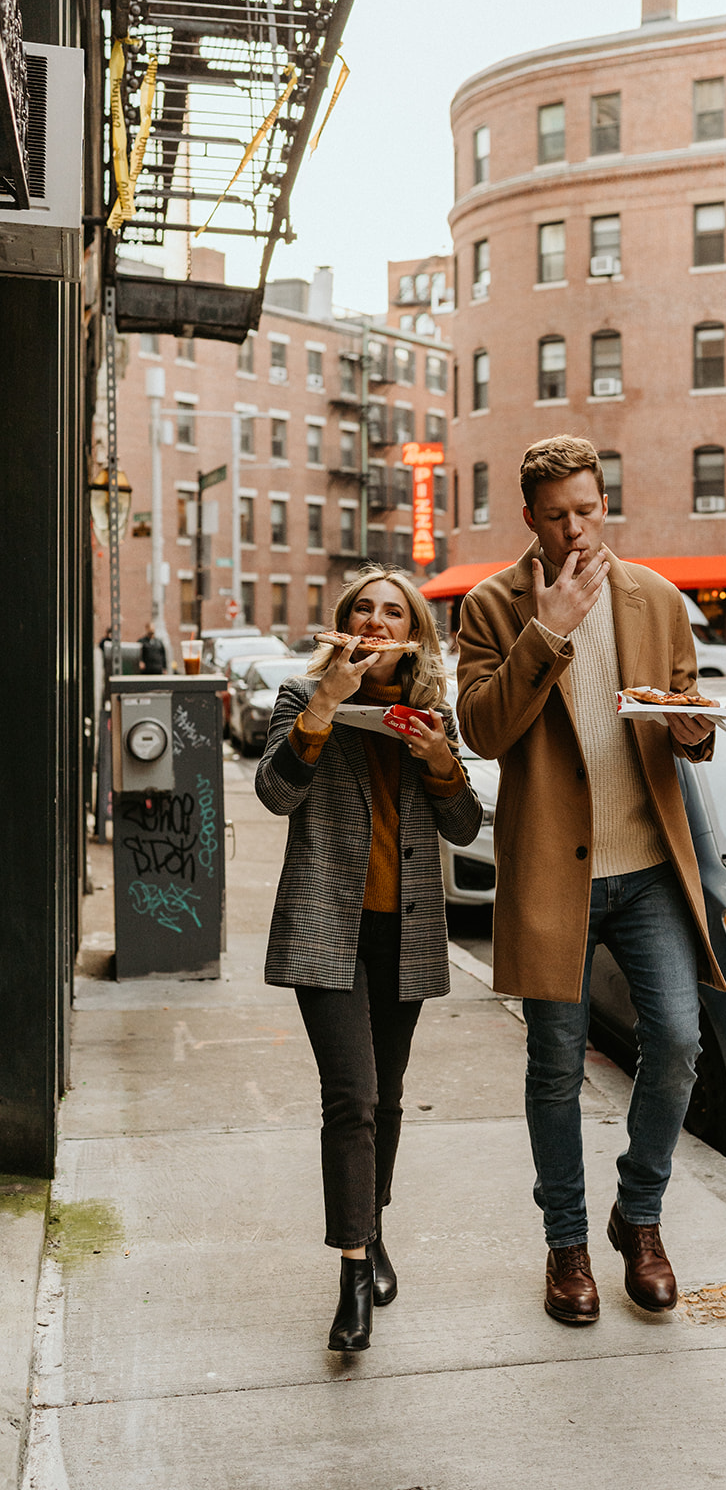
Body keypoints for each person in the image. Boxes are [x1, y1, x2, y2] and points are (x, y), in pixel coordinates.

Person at [456, 435, 726, 1327]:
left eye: (588, 509)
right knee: (553, 1069)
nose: (576, 529)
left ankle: (637, 1218)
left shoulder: (653, 597)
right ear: (528, 518)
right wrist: (550, 631)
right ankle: (565, 1245)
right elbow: (485, 729)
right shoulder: (494, 607)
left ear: (602, 502)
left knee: (679, 1043)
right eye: (557, 515)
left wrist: (692, 730)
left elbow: (684, 713)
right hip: (553, 878)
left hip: (647, 867)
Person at [256, 566, 482, 1352]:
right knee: (350, 1098)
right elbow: (275, 796)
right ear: (344, 624)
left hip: (404, 931)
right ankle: (353, 1271)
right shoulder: (302, 697)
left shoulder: (429, 712)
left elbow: (461, 826)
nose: (378, 622)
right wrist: (322, 708)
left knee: (387, 1099)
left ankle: (371, 1225)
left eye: (394, 612)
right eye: (365, 611)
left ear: (413, 631)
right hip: (327, 927)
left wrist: (438, 760)